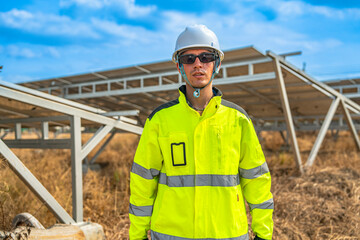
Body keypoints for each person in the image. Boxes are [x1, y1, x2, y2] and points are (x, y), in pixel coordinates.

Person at [129, 24, 273, 240]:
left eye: (206, 57)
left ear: (217, 64)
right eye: (189, 59)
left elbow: (257, 182)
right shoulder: (159, 120)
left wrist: (263, 234)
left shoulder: (238, 120)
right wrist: (137, 235)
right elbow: (142, 184)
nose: (198, 64)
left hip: (228, 235)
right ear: (179, 66)